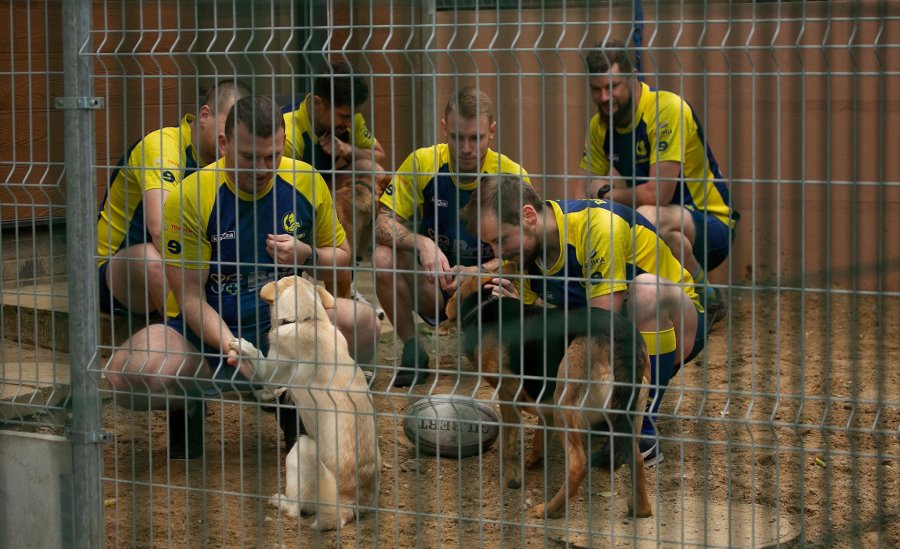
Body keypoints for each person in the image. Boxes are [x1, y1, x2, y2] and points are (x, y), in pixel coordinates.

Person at [105, 96, 381, 460]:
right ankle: (192, 399)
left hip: (286, 333)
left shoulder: (305, 182)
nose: (263, 168)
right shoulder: (192, 195)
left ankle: (295, 401)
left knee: (364, 324)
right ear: (224, 144)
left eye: (273, 156)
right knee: (126, 377)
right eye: (250, 157)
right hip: (208, 334)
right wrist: (235, 348)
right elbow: (189, 298)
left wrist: (307, 254)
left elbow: (342, 259)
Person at [462, 174, 707, 467]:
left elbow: (603, 323)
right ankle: (607, 412)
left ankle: (639, 429)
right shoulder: (529, 252)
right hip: (617, 341)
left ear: (528, 216)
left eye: (501, 239)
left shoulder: (597, 225)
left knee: (645, 292)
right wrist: (516, 308)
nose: (498, 253)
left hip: (678, 325)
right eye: (490, 245)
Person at [374, 87, 531, 387]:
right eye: (458, 137)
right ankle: (413, 350)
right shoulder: (423, 163)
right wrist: (421, 243)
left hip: (488, 291)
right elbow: (381, 224)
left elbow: (527, 254)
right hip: (437, 283)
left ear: (492, 132)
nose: (467, 148)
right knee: (383, 256)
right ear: (444, 129)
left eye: (477, 138)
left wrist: (478, 273)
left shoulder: (511, 175)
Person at [579, 40, 739, 325]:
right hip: (669, 233)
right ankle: (704, 300)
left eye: (612, 86)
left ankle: (689, 297)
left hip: (712, 225)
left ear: (633, 77)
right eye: (596, 89)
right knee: (648, 231)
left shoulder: (666, 109)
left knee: (644, 218)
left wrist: (606, 193)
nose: (604, 97)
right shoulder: (599, 125)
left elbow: (658, 193)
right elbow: (582, 192)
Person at [97, 79, 251, 317]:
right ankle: (182, 333)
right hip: (119, 273)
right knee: (154, 261)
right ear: (204, 115)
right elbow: (160, 230)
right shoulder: (163, 145)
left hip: (186, 268)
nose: (232, 136)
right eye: (228, 124)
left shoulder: (229, 159)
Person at [282, 60, 388, 299]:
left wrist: (347, 149)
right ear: (318, 103)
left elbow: (379, 156)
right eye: (343, 116)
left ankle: (347, 277)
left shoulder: (350, 121)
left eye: (353, 116)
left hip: (324, 188)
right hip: (296, 200)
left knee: (372, 171)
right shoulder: (290, 131)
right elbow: (281, 188)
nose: (349, 123)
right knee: (341, 208)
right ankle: (332, 291)